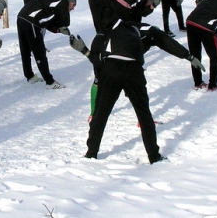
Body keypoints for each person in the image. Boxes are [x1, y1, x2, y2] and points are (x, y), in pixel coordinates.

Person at [68, 22, 166, 164]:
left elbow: (98, 64)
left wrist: (84, 50)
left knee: (100, 115)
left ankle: (91, 154)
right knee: (144, 115)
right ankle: (154, 157)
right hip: (133, 72)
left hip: (110, 72)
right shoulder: (136, 33)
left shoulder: (105, 34)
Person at [17, 0, 76, 89]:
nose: (73, 9)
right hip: (31, 20)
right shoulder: (62, 0)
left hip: (22, 17)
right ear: (69, 1)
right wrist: (64, 26)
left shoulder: (52, 4)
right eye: (73, 5)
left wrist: (57, 29)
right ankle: (50, 82)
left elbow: (46, 21)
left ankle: (30, 76)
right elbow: (64, 21)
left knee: (25, 49)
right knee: (39, 52)